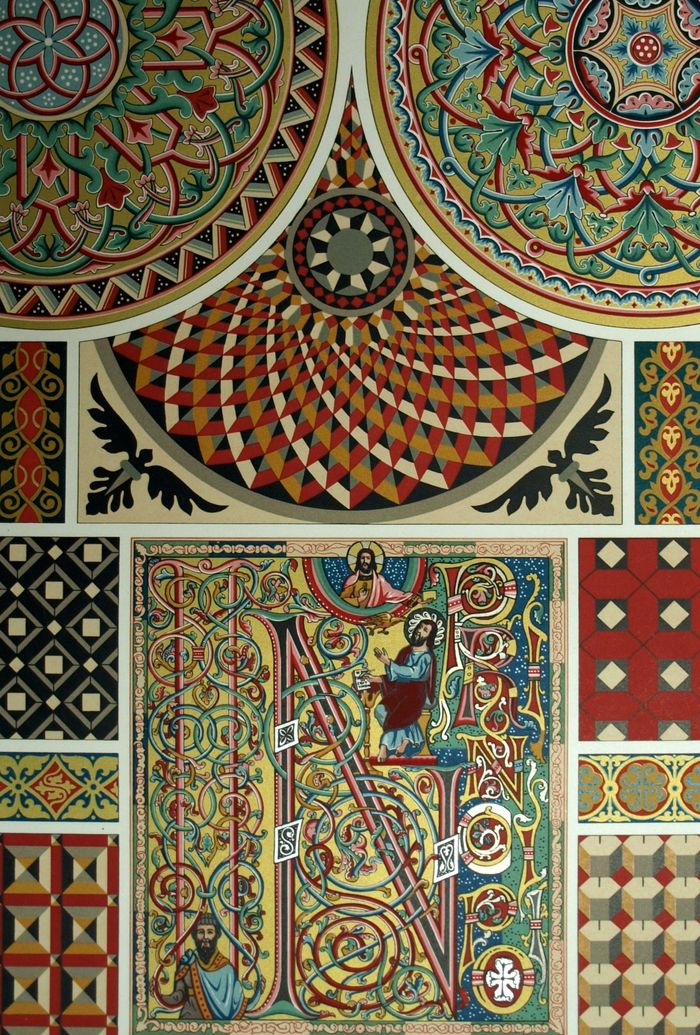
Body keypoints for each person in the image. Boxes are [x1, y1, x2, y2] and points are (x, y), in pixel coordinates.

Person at [369, 612, 442, 761]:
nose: (419, 631)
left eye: (425, 630)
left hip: (415, 694)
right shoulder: (406, 651)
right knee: (380, 710)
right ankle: (408, 739)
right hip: (400, 691)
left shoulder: (426, 656)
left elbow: (413, 673)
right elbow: (394, 676)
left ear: (429, 637)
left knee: (395, 718)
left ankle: (384, 747)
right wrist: (379, 675)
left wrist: (388, 662)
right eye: (420, 627)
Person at [159, 914, 245, 1020]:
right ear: (195, 935)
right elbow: (177, 996)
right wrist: (157, 994)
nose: (205, 937)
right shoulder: (188, 962)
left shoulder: (227, 969)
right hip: (189, 1019)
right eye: (201, 932)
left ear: (217, 935)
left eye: (210, 932)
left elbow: (236, 1001)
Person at [341, 546, 417, 608]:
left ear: (372, 561)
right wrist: (359, 599)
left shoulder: (379, 580)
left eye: (368, 558)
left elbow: (391, 593)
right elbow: (342, 600)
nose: (365, 561)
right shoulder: (352, 580)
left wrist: (408, 598)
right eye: (362, 558)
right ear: (358, 560)